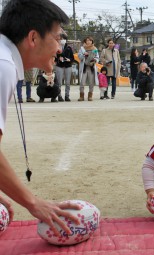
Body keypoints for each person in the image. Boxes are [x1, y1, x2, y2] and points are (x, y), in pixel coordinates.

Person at [0, 0, 80, 237]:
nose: (59, 48)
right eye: (57, 38)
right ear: (33, 38)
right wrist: (33, 203)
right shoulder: (3, 65)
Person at [78, 36, 99, 101]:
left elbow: (97, 57)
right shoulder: (82, 49)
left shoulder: (95, 49)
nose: (88, 41)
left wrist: (94, 60)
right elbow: (79, 57)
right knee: (82, 82)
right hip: (84, 67)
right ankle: (81, 96)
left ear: (92, 41)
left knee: (91, 82)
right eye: (87, 40)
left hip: (91, 67)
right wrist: (84, 54)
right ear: (85, 42)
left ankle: (90, 96)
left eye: (90, 40)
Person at [55, 34, 74, 101]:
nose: (62, 40)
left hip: (68, 66)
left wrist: (69, 60)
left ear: (66, 40)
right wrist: (58, 59)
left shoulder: (69, 48)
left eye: (63, 39)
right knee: (59, 82)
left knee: (67, 82)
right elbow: (54, 57)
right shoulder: (56, 48)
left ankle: (67, 96)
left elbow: (72, 58)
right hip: (59, 66)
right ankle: (59, 95)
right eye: (60, 39)